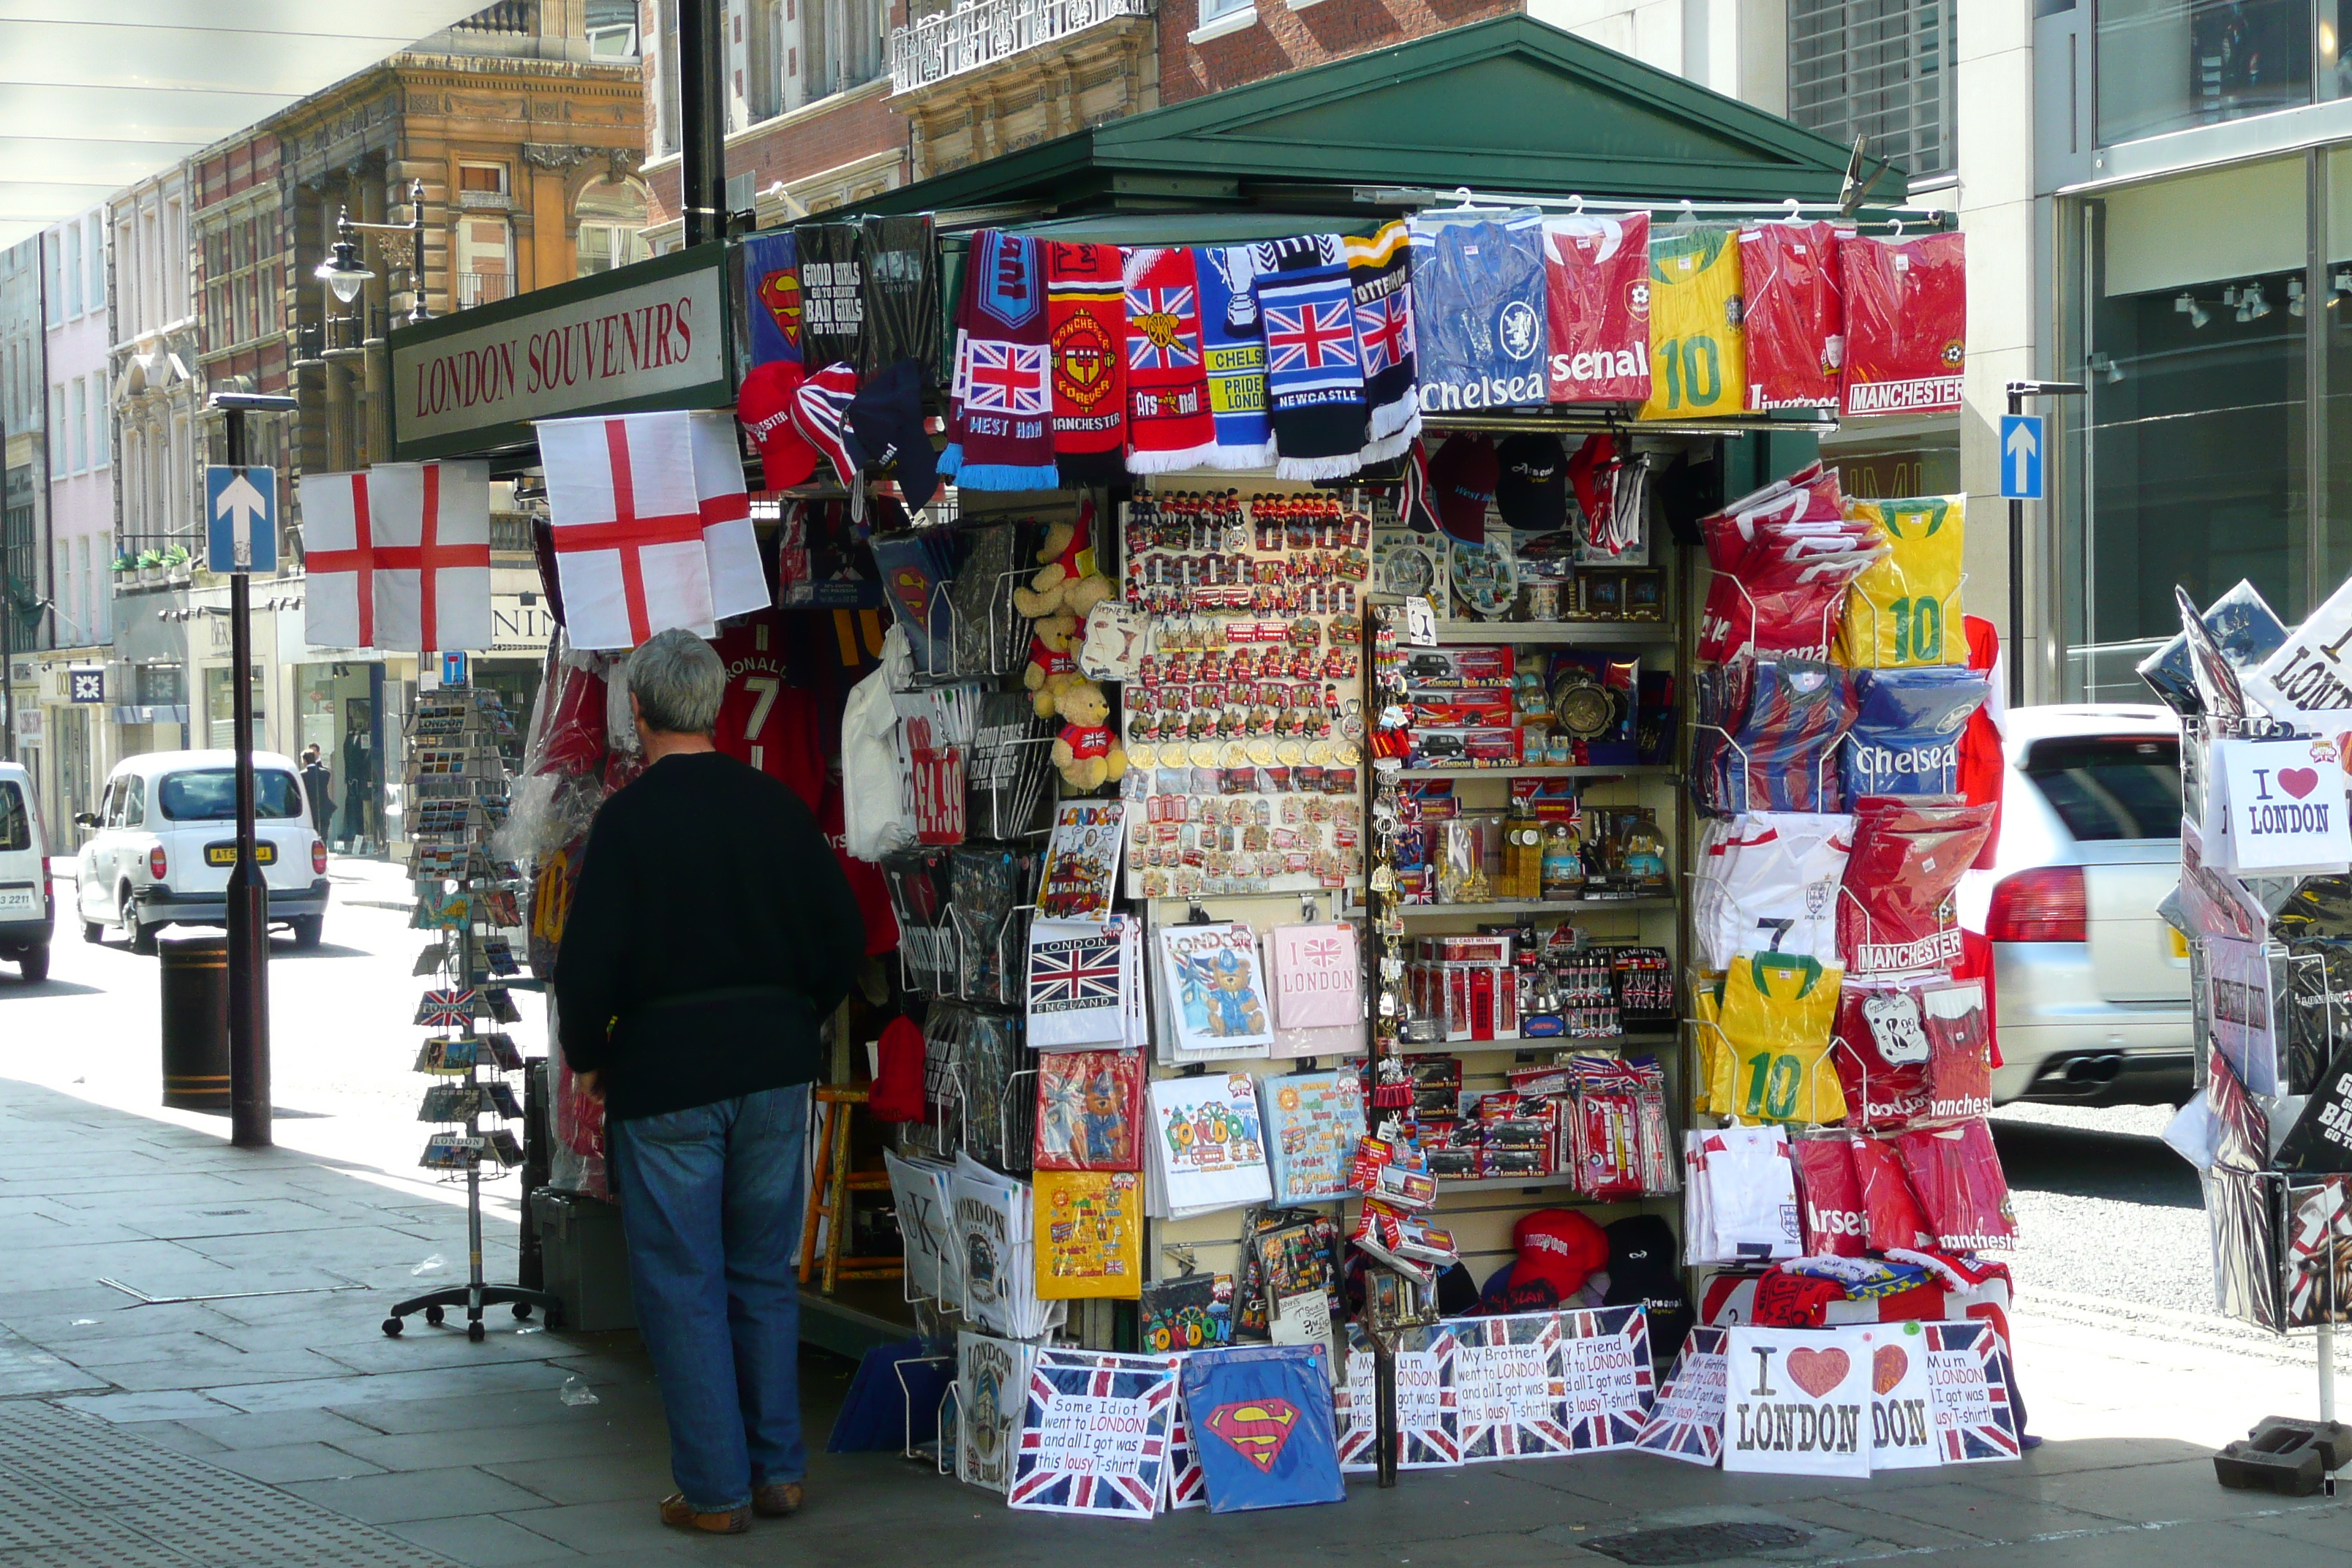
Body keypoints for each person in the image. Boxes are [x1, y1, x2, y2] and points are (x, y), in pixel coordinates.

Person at [554, 628, 865, 1536]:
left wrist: (590, 1055)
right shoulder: (776, 806)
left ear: (638, 713)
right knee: (761, 1271)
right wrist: (793, 1014)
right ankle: (779, 1472)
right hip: (773, 1065)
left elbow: (588, 967)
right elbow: (840, 939)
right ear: (718, 708)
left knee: (683, 1279)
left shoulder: (627, 820)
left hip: (667, 1073)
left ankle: (715, 1489)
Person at [299, 745, 333, 843]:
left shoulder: (302, 775)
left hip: (310, 810)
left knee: (312, 838)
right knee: (324, 836)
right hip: (324, 809)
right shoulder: (325, 773)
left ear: (305, 761)